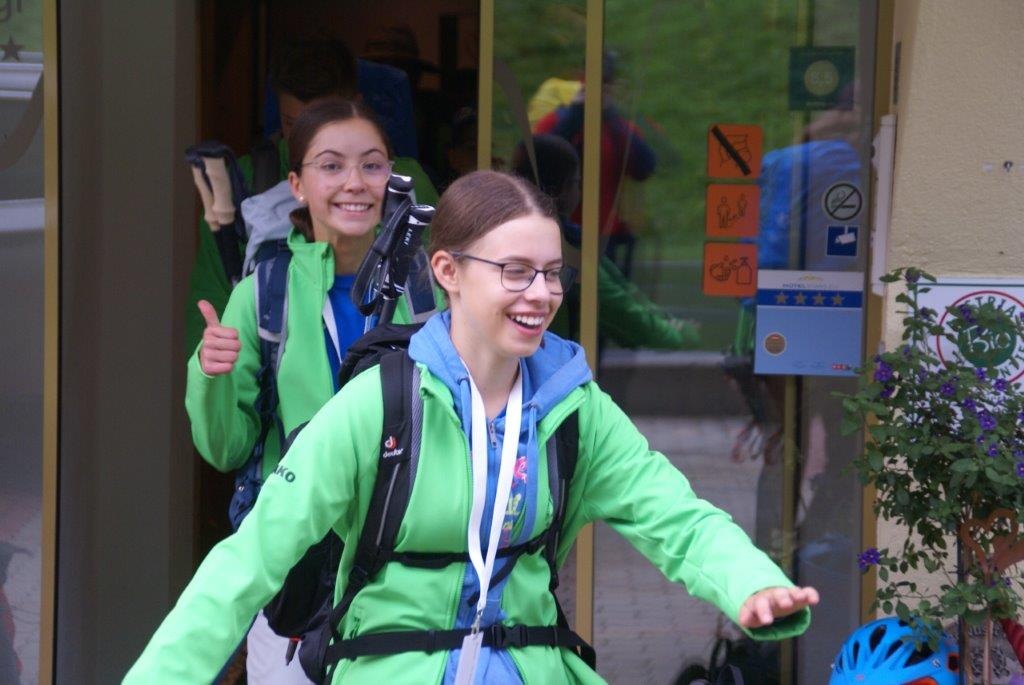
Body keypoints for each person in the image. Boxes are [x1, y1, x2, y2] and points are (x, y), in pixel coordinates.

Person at [128, 170, 817, 684]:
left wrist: (750, 584)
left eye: (552, 274)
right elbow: (248, 561)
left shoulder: (572, 406)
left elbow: (677, 517)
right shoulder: (380, 403)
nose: (541, 294)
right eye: (515, 272)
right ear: (447, 272)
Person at [187, 97, 435, 683]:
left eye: (372, 165)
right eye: (331, 166)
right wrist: (210, 375)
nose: (354, 182)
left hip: (406, 570)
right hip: (296, 572)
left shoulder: (430, 290)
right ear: (297, 185)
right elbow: (226, 448)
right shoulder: (262, 293)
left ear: (392, 177)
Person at [185, 38, 439, 357]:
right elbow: (209, 310)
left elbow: (445, 290)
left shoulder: (406, 183)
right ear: (295, 186)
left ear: (357, 106)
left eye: (324, 124)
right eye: (292, 124)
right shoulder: (241, 185)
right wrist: (209, 368)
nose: (307, 142)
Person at [511, 134, 698, 350]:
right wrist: (682, 334)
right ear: (563, 189)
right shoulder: (567, 249)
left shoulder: (509, 235)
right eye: (577, 184)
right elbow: (622, 311)